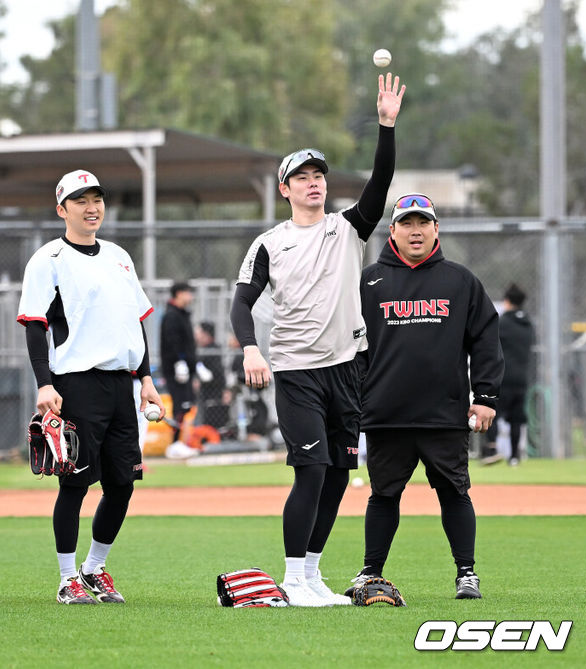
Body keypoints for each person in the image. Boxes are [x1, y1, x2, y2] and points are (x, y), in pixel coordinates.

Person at [229, 73, 405, 606]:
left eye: (318, 175)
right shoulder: (269, 244)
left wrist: (386, 126)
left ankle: (311, 574)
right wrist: (250, 347)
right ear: (284, 188)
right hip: (298, 371)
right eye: (301, 176)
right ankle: (290, 579)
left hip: (347, 369)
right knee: (310, 470)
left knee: (336, 478)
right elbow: (241, 302)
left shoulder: (347, 228)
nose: (313, 182)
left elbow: (379, 184)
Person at [347, 193, 503, 600]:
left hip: (443, 413)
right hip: (385, 413)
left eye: (423, 223)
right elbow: (349, 345)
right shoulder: (368, 281)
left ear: (436, 229)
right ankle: (369, 572)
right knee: (384, 495)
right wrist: (352, 399)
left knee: (454, 492)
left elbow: (486, 338)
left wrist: (485, 395)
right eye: (407, 224)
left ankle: (466, 574)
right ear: (392, 231)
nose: (416, 231)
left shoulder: (460, 280)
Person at [17, 169, 163, 605]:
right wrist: (44, 384)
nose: (91, 207)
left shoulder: (119, 255)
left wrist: (147, 379)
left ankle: (94, 569)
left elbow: (136, 321)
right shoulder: (49, 259)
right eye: (80, 200)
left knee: (123, 484)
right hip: (76, 383)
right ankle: (67, 579)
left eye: (96, 198)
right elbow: (33, 325)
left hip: (122, 384)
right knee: (74, 484)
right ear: (62, 209)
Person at [483, 283, 533, 466]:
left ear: (507, 301)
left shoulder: (502, 323)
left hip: (503, 376)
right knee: (516, 418)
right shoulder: (529, 324)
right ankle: (514, 457)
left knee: (492, 411)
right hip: (522, 378)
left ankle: (492, 448)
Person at [160, 282, 197, 445]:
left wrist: (196, 365)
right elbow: (171, 342)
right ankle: (175, 443)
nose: (191, 296)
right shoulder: (171, 315)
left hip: (186, 369)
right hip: (176, 370)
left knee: (185, 405)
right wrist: (178, 362)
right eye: (188, 292)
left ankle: (179, 442)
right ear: (179, 294)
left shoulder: (183, 314)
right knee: (179, 406)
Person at [194, 322, 227, 431]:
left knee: (212, 423)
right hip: (205, 393)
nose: (196, 335)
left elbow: (212, 376)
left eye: (199, 332)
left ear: (206, 334)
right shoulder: (201, 350)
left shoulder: (212, 350)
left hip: (213, 394)